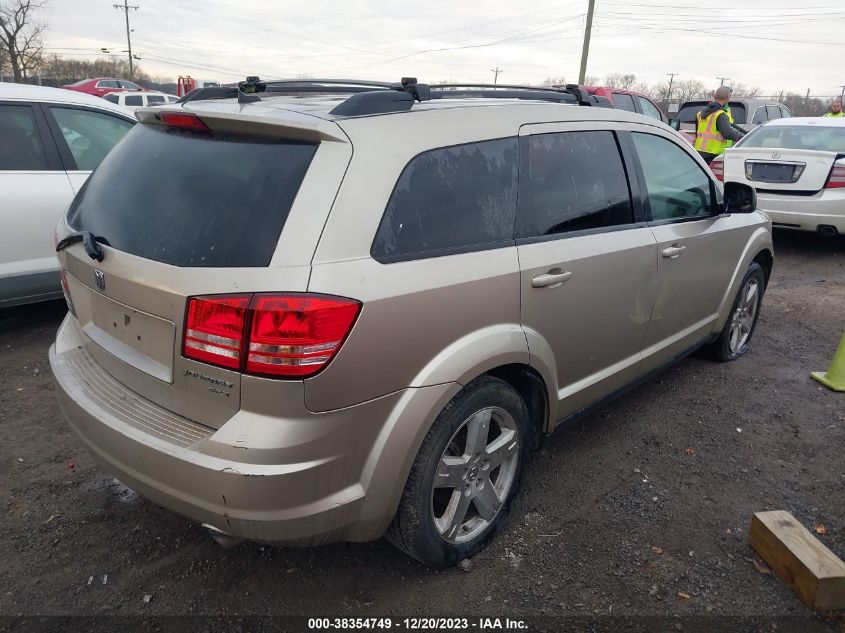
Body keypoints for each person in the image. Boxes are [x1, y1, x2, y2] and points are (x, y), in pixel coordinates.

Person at [694, 86, 744, 164]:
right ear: (727, 98)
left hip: (699, 152)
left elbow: (698, 132)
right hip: (714, 155)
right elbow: (728, 133)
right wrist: (743, 138)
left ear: (715, 96)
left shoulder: (699, 114)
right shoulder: (720, 114)